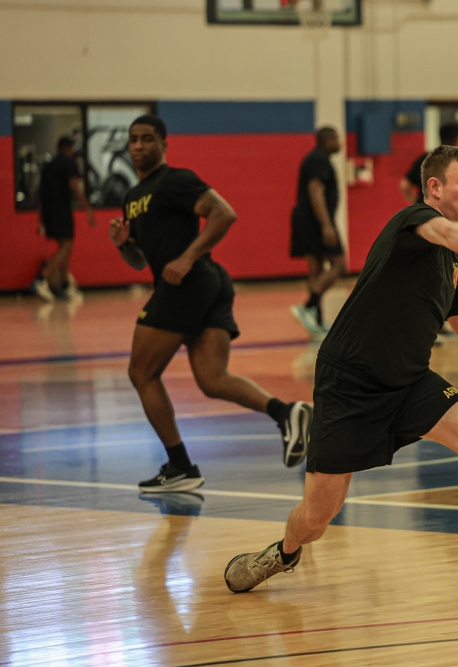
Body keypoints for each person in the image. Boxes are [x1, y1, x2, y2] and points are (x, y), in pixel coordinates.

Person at [224, 145, 458, 604]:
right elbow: (451, 234)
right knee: (318, 516)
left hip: (409, 378)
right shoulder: (413, 222)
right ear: (434, 188)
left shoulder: (451, 262)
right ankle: (282, 553)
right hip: (351, 381)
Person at [108, 114, 313, 493]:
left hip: (190, 282)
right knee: (212, 379)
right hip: (204, 285)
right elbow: (140, 261)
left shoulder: (175, 180)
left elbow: (224, 213)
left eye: (147, 139)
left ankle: (181, 466)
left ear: (164, 144)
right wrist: (125, 244)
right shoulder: (132, 197)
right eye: (133, 139)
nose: (138, 146)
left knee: (141, 373)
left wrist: (187, 257)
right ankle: (287, 413)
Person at [289, 127, 345, 336]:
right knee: (340, 264)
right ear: (327, 140)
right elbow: (315, 190)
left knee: (317, 270)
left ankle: (318, 319)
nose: (340, 142)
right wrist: (326, 224)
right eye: (337, 138)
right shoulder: (319, 160)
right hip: (314, 221)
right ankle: (308, 306)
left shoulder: (315, 158)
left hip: (307, 220)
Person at [33, 136, 96, 301]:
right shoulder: (69, 163)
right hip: (61, 209)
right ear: (69, 148)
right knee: (67, 245)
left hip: (48, 211)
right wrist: (88, 209)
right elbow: (75, 187)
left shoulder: (48, 165)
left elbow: (40, 194)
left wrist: (40, 220)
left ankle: (64, 284)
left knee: (64, 245)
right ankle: (42, 279)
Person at [398, 122, 458, 205]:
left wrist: (416, 204)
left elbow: (405, 185)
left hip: (425, 209)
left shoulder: (426, 158)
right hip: (448, 211)